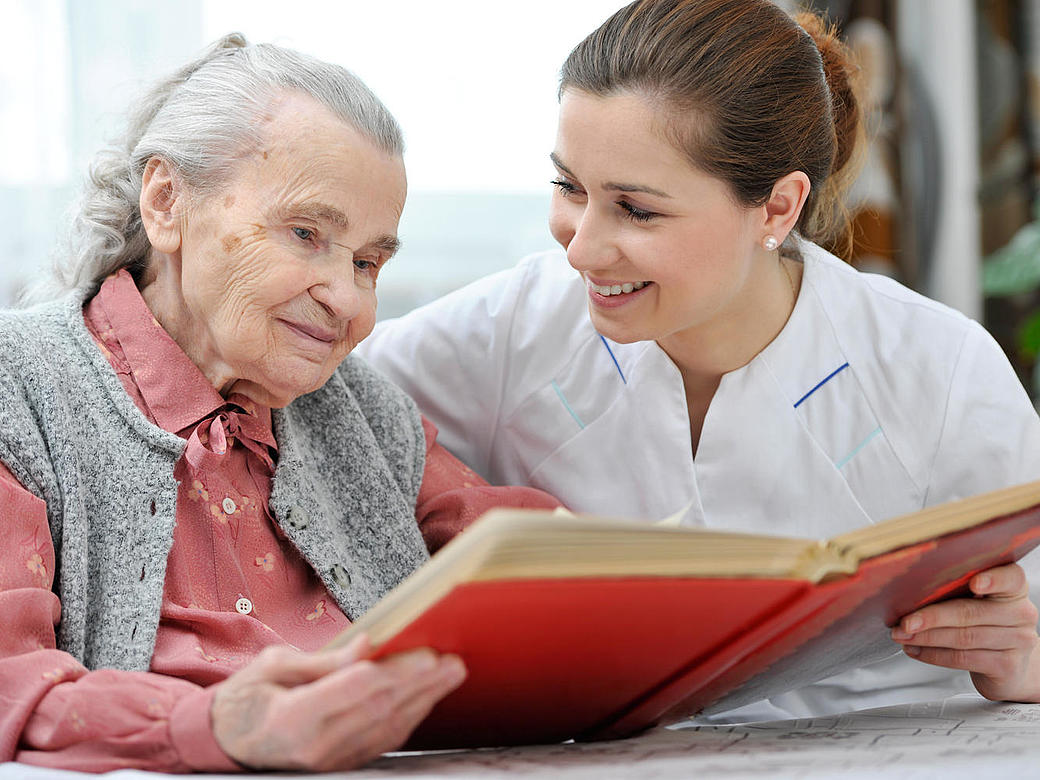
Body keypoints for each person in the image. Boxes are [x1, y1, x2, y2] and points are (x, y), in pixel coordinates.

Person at [358, 0, 1040, 722]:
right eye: (570, 188)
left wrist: (1024, 661)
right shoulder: (510, 331)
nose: (580, 247)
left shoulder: (940, 370)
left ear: (777, 209)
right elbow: (312, 403)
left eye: (637, 210)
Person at [0, 34, 558, 773]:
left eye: (367, 262)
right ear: (167, 203)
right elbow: (10, 679)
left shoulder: (362, 412)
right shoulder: (19, 387)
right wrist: (223, 725)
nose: (349, 299)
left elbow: (530, 567)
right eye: (306, 233)